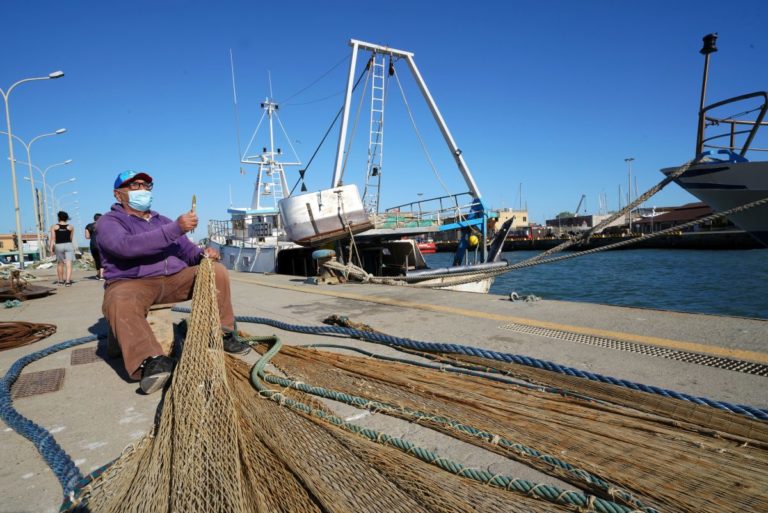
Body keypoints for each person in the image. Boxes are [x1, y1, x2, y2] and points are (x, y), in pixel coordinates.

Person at [98, 170, 250, 394]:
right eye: (135, 185)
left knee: (216, 271)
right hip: (132, 282)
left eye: (146, 185)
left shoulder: (163, 221)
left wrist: (203, 254)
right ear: (118, 194)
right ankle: (150, 361)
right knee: (119, 299)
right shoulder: (108, 222)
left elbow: (188, 253)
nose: (142, 190)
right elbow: (125, 247)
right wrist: (176, 228)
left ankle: (222, 333)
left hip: (173, 280)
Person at [49, 211, 76, 286]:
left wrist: (51, 248)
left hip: (58, 245)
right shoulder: (70, 227)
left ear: (58, 218)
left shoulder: (54, 227)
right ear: (66, 218)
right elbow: (71, 238)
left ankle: (60, 281)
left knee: (60, 264)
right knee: (69, 264)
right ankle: (68, 281)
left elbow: (53, 238)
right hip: (68, 245)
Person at [85, 213, 104, 280]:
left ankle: (98, 274)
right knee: (102, 259)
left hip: (93, 244)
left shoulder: (88, 226)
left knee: (96, 260)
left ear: (94, 218)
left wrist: (93, 236)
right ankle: (102, 275)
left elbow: (87, 237)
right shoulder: (104, 225)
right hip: (101, 244)